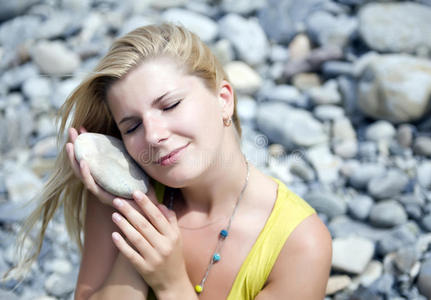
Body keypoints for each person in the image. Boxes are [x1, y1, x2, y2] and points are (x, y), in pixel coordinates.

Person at [11, 23, 332, 299]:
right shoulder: (121, 196)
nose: (153, 135)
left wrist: (172, 285)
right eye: (132, 126)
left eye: (170, 105)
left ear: (224, 100)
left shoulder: (300, 244)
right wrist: (138, 229)